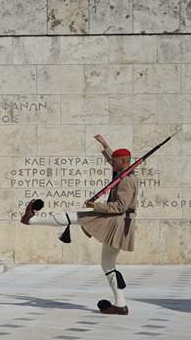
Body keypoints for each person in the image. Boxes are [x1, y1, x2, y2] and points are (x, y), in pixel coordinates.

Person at [21, 134, 137, 315]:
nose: (112, 164)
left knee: (75, 216)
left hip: (116, 223)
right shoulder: (124, 174)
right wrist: (105, 145)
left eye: (115, 162)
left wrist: (95, 206)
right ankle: (120, 304)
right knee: (108, 266)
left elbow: (121, 206)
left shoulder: (127, 181)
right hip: (117, 223)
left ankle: (31, 220)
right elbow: (112, 160)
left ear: (123, 161)